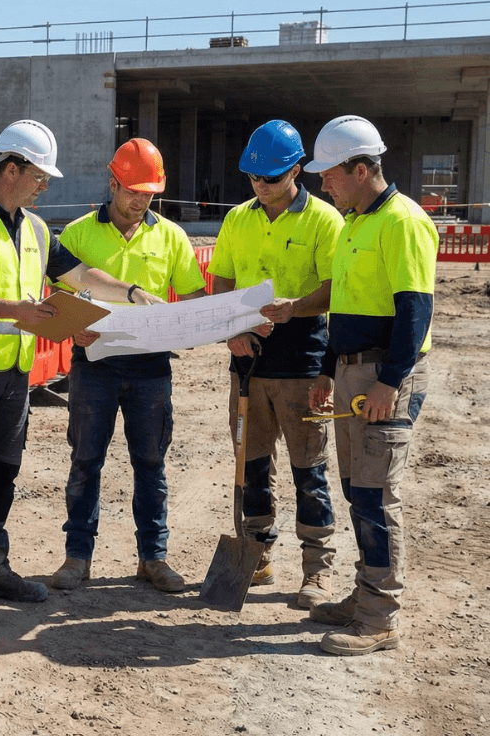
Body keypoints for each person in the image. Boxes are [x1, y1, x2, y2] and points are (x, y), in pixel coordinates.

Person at [0, 120, 160, 624]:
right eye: (39, 176)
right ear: (12, 168)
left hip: (14, 373)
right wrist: (18, 311)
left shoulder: (35, 229)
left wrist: (132, 292)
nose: (45, 186)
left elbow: (79, 276)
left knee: (3, 473)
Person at [48, 138, 207, 594]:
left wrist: (189, 322)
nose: (140, 200)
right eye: (133, 190)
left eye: (149, 193)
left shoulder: (171, 236)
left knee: (151, 464)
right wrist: (72, 325)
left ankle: (153, 557)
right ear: (113, 181)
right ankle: (77, 556)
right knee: (85, 461)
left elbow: (193, 296)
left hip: (151, 368)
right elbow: (56, 297)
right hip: (94, 365)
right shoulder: (78, 233)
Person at [304, 115, 437, 655]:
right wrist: (328, 368)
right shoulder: (357, 221)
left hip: (385, 375)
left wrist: (388, 381)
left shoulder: (402, 221)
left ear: (361, 169)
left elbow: (415, 311)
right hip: (354, 370)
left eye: (330, 174)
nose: (322, 184)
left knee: (378, 497)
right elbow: (347, 304)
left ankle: (380, 615)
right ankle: (364, 595)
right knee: (359, 491)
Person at [208, 120, 345, 609]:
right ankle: (258, 552)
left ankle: (318, 569)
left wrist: (297, 307)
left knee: (309, 467)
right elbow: (220, 281)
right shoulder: (238, 220)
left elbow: (335, 289)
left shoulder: (325, 220)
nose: (261, 187)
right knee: (253, 463)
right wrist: (232, 331)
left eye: (270, 178)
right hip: (248, 363)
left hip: (303, 361)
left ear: (297, 170)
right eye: (254, 178)